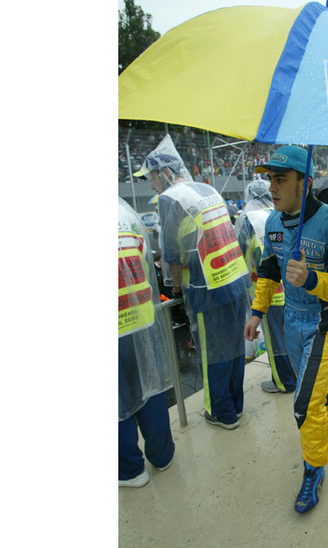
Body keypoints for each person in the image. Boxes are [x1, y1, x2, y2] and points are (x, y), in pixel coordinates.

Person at [243, 145, 328, 514]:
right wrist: (257, 312)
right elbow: (269, 270)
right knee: (315, 390)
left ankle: (314, 470)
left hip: (326, 323)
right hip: (290, 320)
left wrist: (312, 279)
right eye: (270, 179)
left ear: (304, 182)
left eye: (281, 179)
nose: (272, 187)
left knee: (304, 402)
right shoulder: (274, 223)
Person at [134, 135, 252, 430]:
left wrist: (175, 291)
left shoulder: (170, 198)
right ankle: (235, 406)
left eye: (151, 177)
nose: (151, 185)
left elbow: (172, 255)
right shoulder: (206, 188)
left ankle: (220, 412)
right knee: (234, 348)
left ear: (164, 172)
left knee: (212, 353)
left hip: (206, 289)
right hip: (235, 281)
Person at [119, 197, 175, 488]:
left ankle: (130, 470)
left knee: (118, 401)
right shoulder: (125, 213)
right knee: (151, 388)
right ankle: (163, 455)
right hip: (141, 318)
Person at [234, 180, 296, 394]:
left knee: (275, 340)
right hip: (289, 289)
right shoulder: (280, 213)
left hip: (265, 292)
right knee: (290, 338)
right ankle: (294, 376)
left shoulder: (248, 219)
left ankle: (284, 382)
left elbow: (239, 256)